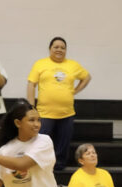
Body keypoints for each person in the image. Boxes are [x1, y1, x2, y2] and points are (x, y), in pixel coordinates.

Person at [27, 37, 91, 170]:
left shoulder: (73, 65)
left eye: (62, 47)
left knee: (63, 142)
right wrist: (31, 107)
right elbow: (31, 84)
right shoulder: (40, 64)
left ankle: (59, 166)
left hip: (66, 112)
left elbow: (86, 77)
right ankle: (40, 166)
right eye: (56, 47)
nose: (59, 50)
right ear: (50, 49)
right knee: (41, 142)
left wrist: (74, 91)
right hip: (45, 113)